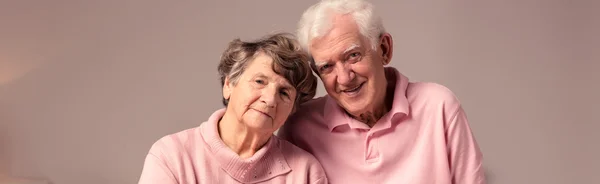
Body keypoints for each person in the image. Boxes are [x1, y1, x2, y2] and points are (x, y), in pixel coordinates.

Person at [277, 0, 487, 183]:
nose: (344, 78)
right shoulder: (300, 127)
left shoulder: (438, 106)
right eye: (327, 67)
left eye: (353, 56)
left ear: (384, 49)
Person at [138, 33, 328, 184]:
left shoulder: (306, 173)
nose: (270, 99)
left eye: (284, 93)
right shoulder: (172, 155)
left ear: (292, 109)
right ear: (228, 84)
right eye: (259, 81)